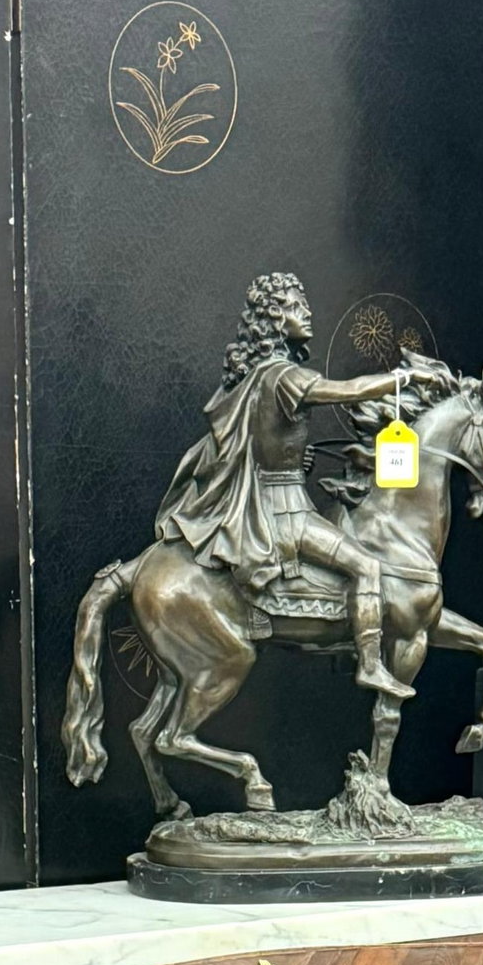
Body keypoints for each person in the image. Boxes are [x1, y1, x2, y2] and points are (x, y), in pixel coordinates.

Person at [156, 271, 450, 701]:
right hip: (286, 518)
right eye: (295, 306)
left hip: (278, 501)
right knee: (368, 567)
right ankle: (371, 664)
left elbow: (260, 448)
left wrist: (296, 463)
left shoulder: (254, 380)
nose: (306, 312)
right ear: (276, 320)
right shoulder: (284, 376)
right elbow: (348, 390)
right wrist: (405, 380)